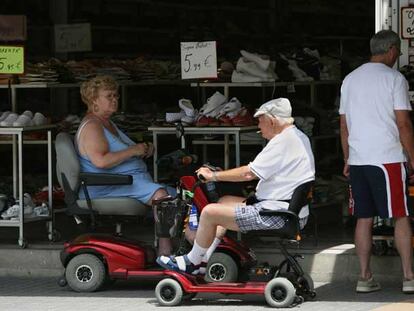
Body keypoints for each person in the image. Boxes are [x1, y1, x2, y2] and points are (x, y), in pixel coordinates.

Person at [157, 97, 315, 274]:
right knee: (224, 202)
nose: (259, 127)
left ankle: (192, 262)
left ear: (272, 120)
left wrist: (214, 176)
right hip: (289, 210)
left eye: (260, 121)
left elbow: (249, 173)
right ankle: (205, 258)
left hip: (276, 215)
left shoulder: (282, 142)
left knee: (210, 212)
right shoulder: (297, 136)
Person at [339, 29, 414, 293]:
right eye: (399, 51)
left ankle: (364, 277)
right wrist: (413, 159)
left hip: (359, 160)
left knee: (364, 218)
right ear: (392, 49)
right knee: (400, 216)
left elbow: (343, 124)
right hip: (387, 159)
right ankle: (408, 277)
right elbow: (404, 123)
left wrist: (347, 158)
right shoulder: (395, 79)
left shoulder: (350, 79)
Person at [76, 75, 175, 255]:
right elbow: (101, 161)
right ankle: (165, 252)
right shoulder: (93, 126)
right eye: (109, 96)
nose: (115, 100)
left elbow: (122, 152)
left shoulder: (108, 123)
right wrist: (133, 151)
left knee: (179, 194)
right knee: (162, 196)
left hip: (127, 183)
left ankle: (190, 247)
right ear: (93, 100)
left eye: (116, 96)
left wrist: (143, 149)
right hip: (107, 186)